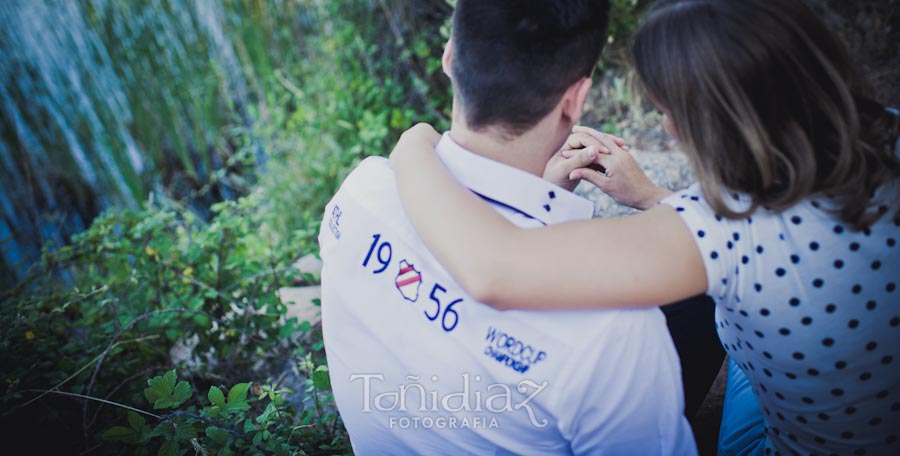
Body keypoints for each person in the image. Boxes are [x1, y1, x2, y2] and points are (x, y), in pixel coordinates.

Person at [388, 1, 900, 455]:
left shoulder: (722, 230)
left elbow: (493, 270)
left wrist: (412, 145)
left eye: (666, 111)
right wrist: (654, 199)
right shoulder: (886, 130)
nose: (669, 128)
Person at [318, 1, 700, 454]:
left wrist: (535, 195)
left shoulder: (361, 191)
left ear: (448, 56)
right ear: (576, 99)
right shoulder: (614, 329)